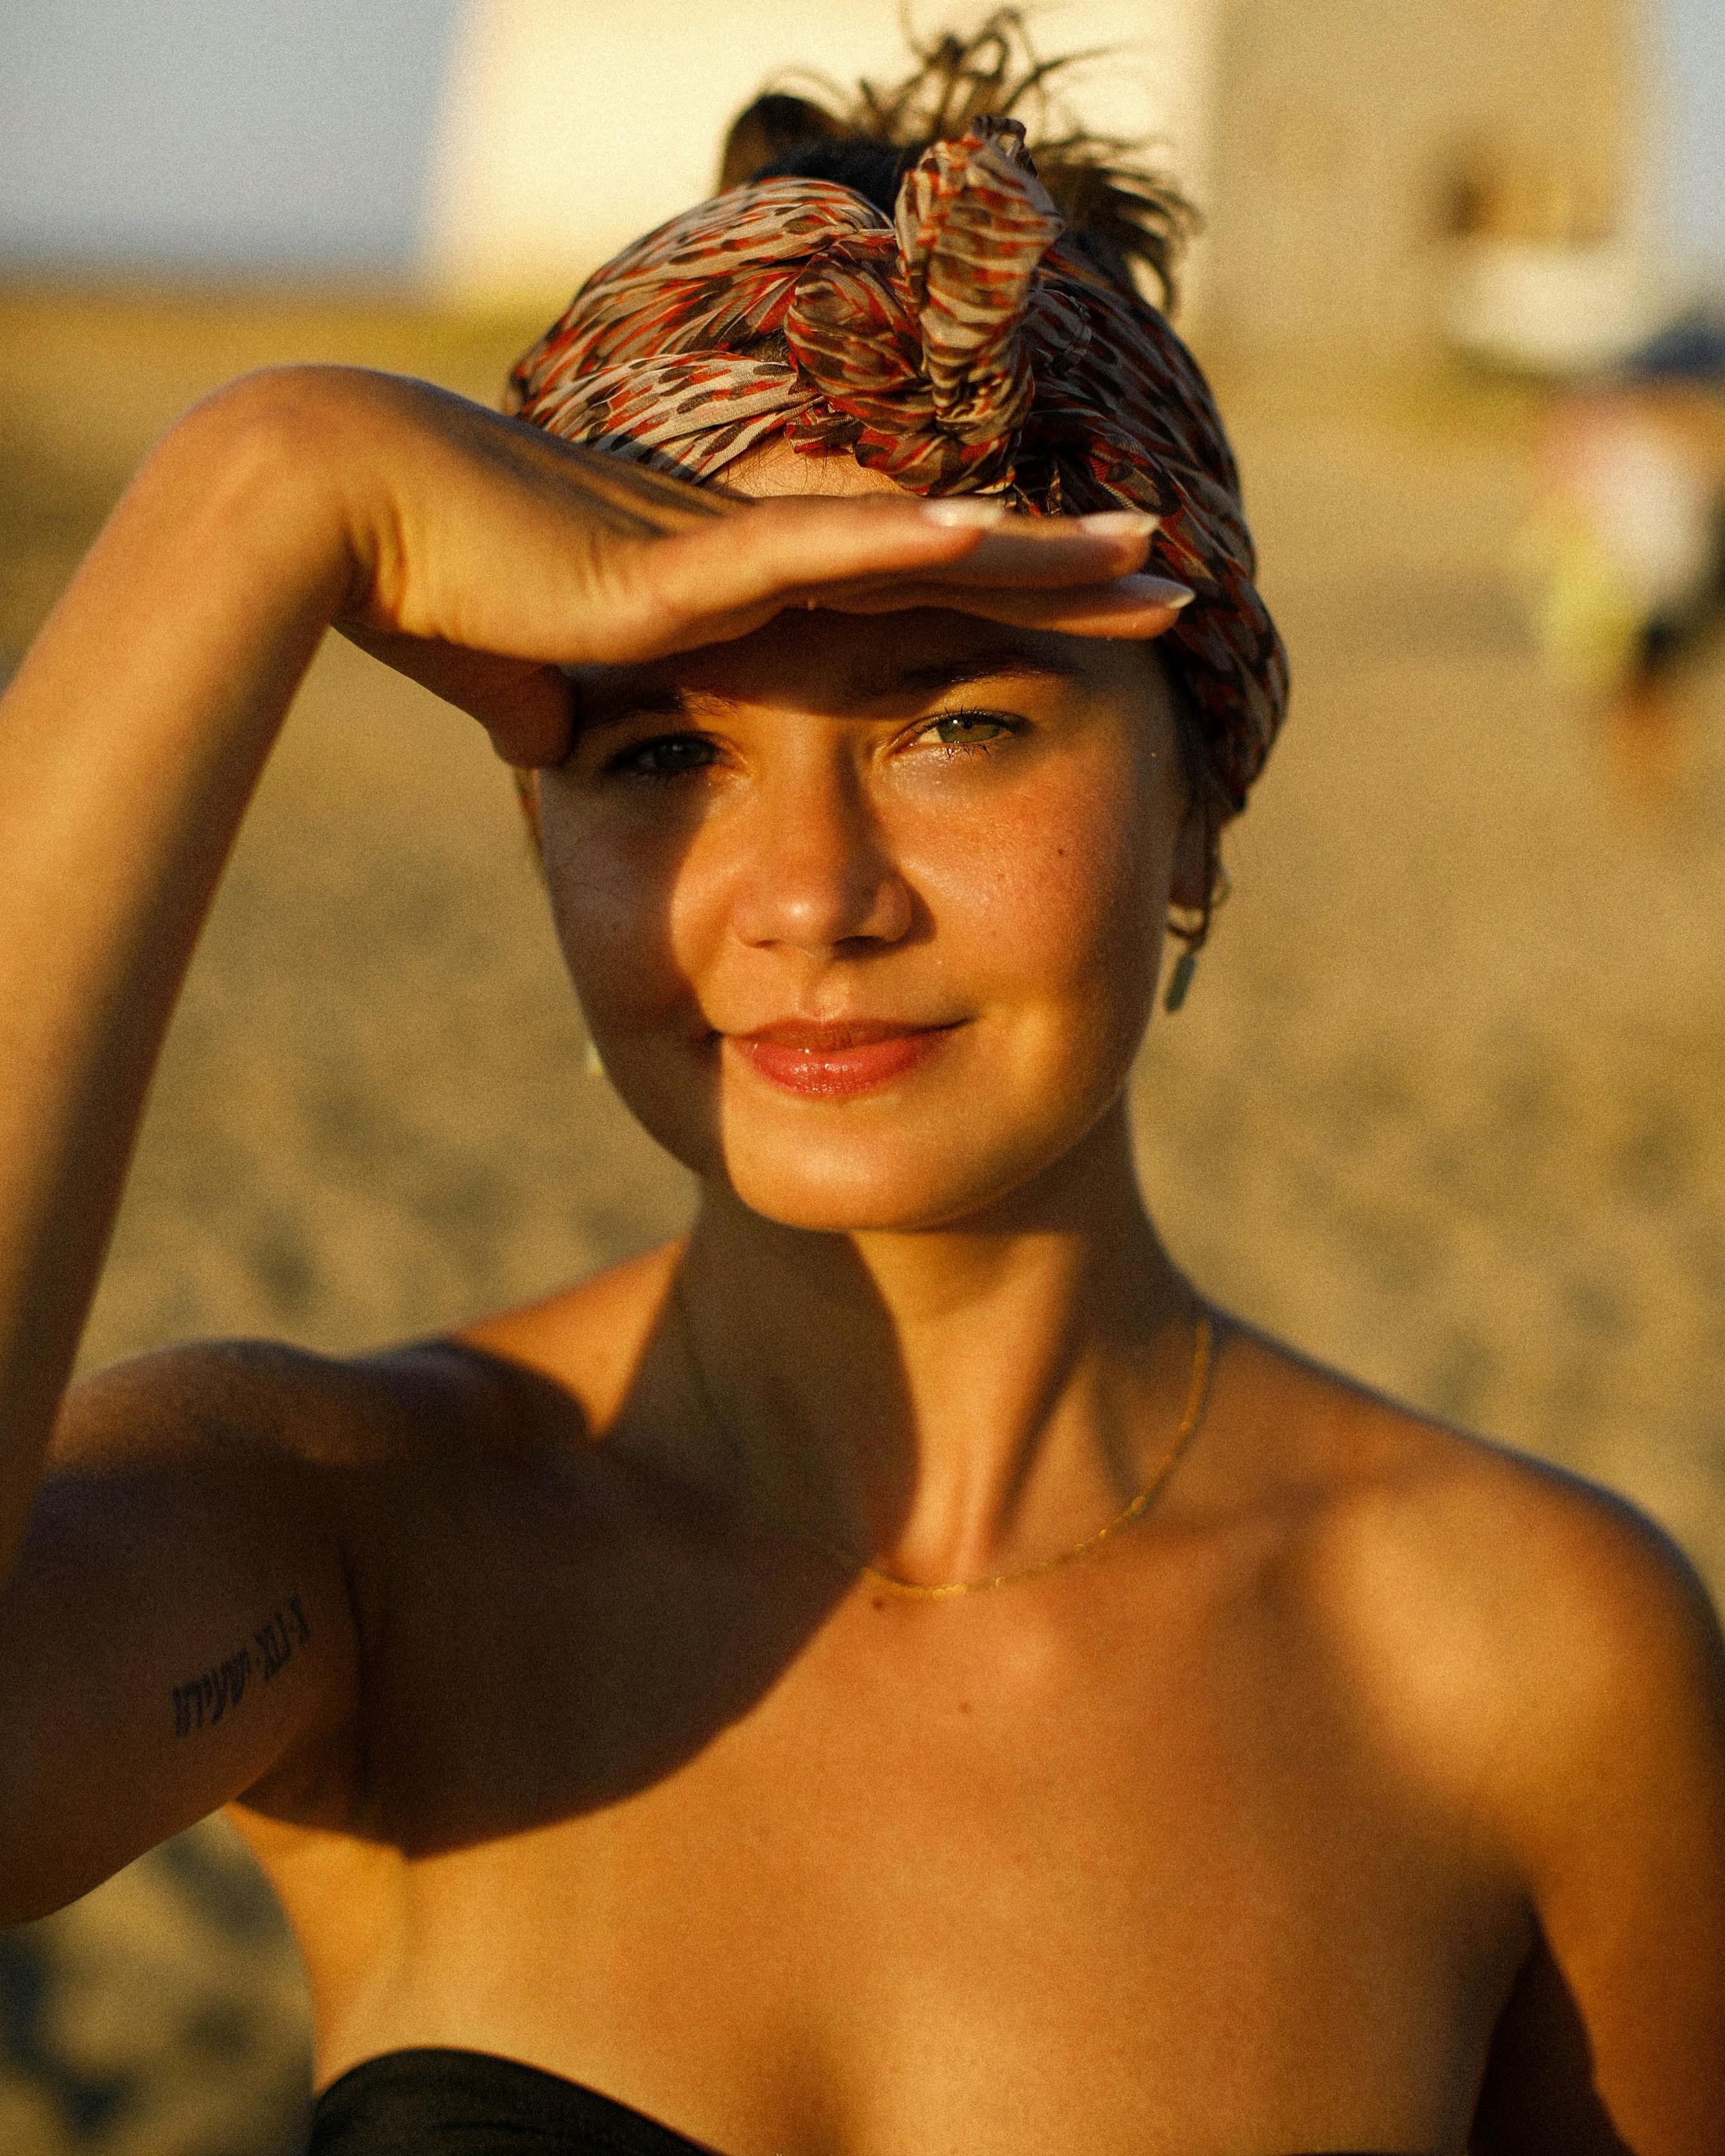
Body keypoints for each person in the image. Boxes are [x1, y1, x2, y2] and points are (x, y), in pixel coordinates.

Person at [1, 21, 1722, 2156]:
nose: (805, 898)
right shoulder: (363, 1546)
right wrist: (259, 488)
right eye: (660, 753)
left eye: (957, 724)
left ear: (1200, 805)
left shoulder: (1527, 1666)